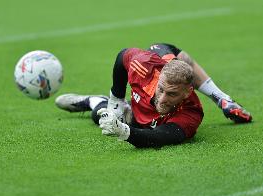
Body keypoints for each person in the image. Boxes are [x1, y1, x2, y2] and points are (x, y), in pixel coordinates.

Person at [55, 43, 252, 148]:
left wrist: (124, 131)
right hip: (140, 102)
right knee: (103, 115)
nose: (163, 98)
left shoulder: (191, 114)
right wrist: (116, 100)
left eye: (172, 94)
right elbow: (122, 56)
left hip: (144, 123)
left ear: (187, 93)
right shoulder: (146, 66)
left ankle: (93, 102)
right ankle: (96, 101)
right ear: (159, 79)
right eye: (161, 89)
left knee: (108, 119)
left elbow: (159, 137)